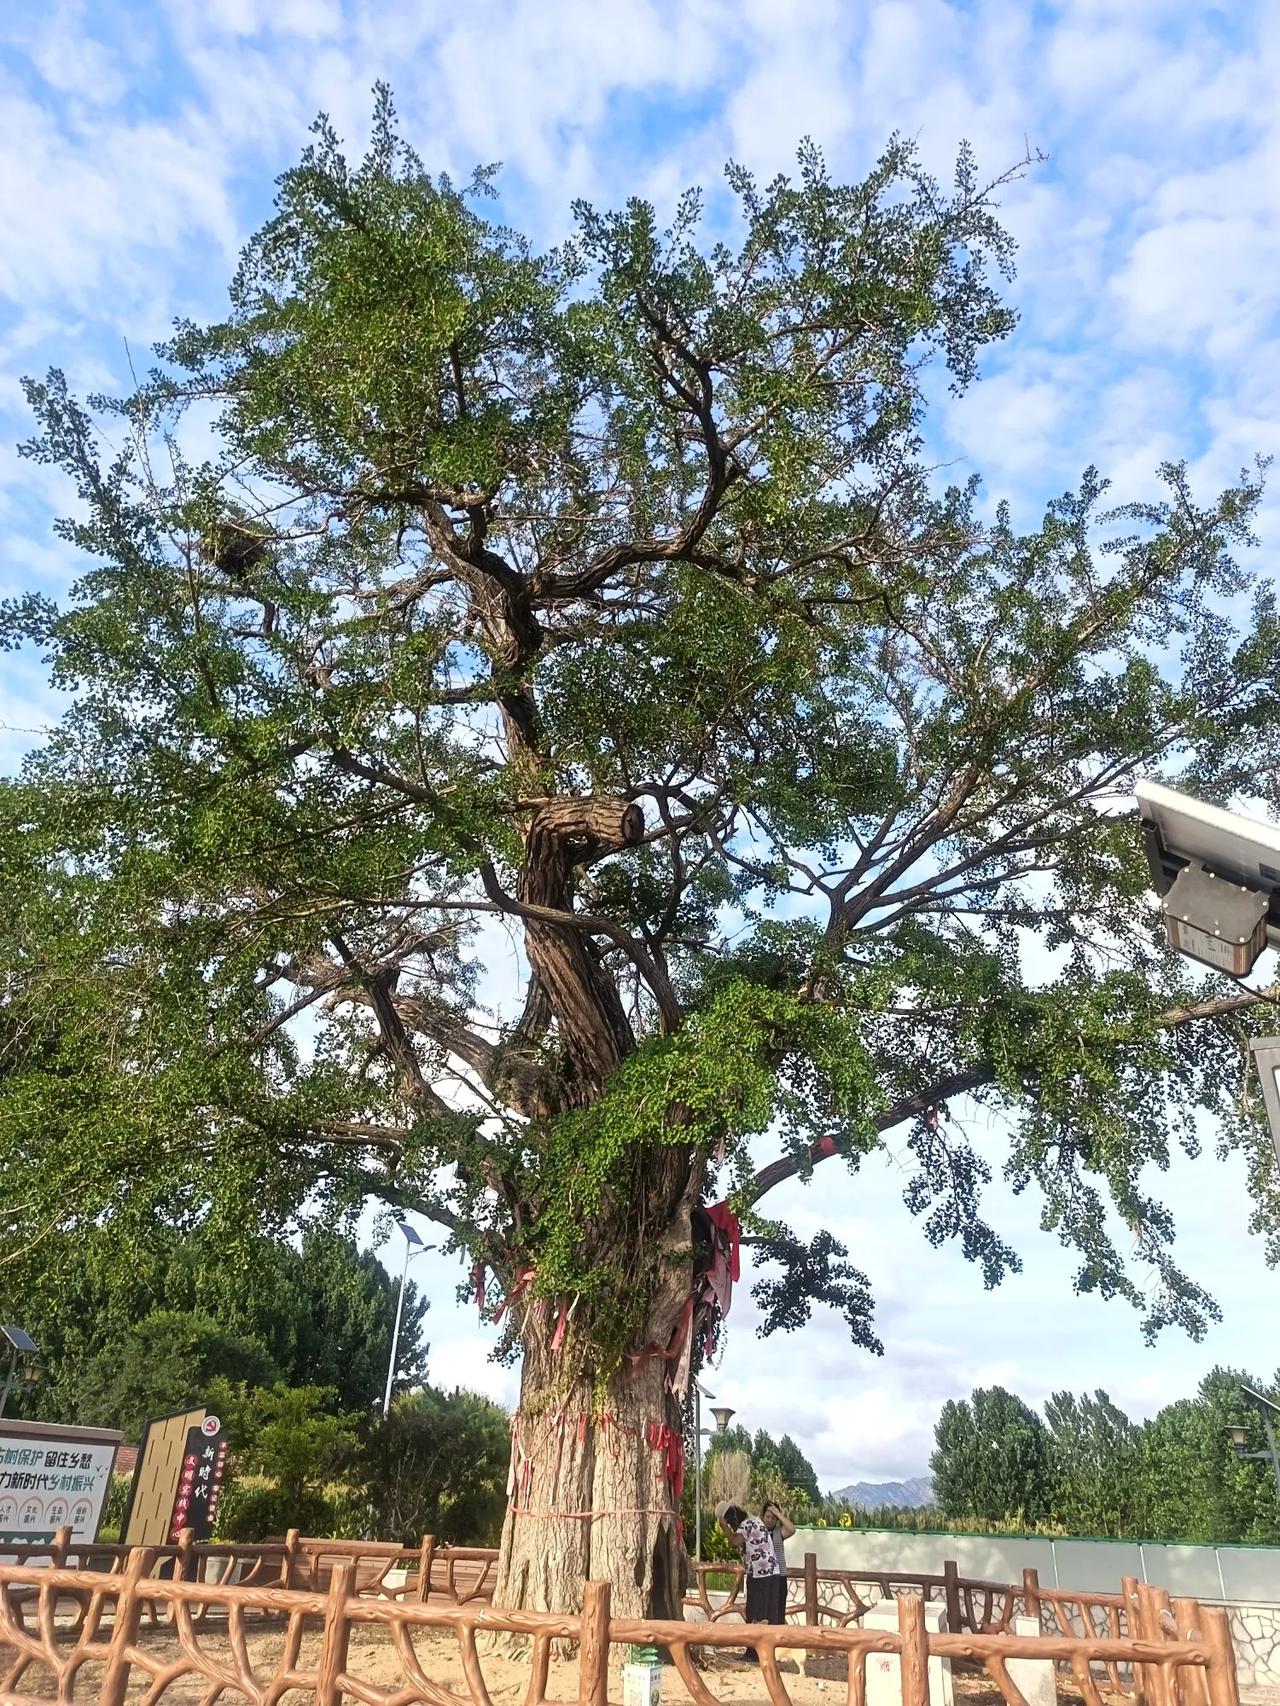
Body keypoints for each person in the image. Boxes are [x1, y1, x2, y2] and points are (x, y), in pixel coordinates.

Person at [718, 1502, 782, 1663]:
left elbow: (735, 1541)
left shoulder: (745, 1525)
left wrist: (723, 1526)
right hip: (773, 1573)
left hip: (759, 1575)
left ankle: (753, 1653)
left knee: (755, 1614)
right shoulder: (756, 1521)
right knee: (769, 1615)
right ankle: (769, 1652)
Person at [762, 1500, 796, 1623]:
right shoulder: (758, 1532)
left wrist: (777, 1513)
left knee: (778, 1613)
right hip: (763, 1577)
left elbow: (792, 1529)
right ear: (763, 1516)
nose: (770, 1520)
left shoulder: (779, 1532)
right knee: (763, 1614)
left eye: (773, 1518)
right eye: (767, 1516)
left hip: (779, 1577)